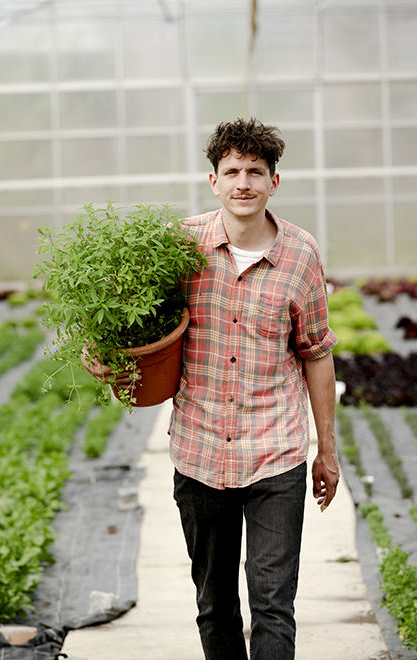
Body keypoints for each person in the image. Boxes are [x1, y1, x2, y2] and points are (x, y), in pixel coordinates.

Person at [82, 117, 340, 660]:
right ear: (213, 180)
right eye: (232, 171)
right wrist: (106, 358)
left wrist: (327, 452)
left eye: (255, 171)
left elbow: (316, 351)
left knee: (273, 605)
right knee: (214, 605)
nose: (243, 182)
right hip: (199, 452)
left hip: (276, 453)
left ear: (274, 181)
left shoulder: (301, 255)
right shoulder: (181, 246)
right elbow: (137, 324)